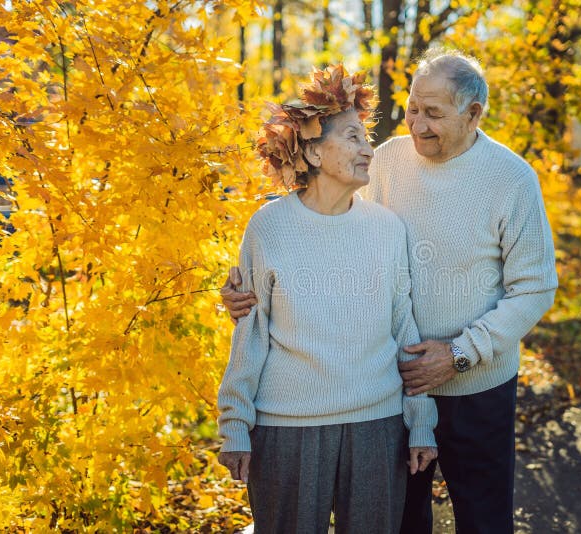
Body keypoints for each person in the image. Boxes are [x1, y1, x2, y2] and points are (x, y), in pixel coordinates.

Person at [222, 50, 558, 533]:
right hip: (394, 385)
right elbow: (326, 228)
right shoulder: (386, 161)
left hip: (476, 387)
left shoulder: (512, 180)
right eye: (412, 108)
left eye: (434, 114)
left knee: (485, 521)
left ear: (474, 114)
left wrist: (461, 353)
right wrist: (249, 288)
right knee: (401, 522)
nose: (417, 124)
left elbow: (535, 288)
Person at [216, 65, 438, 534]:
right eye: (353, 137)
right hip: (286, 429)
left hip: (377, 427)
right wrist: (235, 421)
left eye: (367, 138)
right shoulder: (269, 227)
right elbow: (250, 332)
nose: (367, 149)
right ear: (314, 151)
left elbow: (404, 329)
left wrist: (421, 422)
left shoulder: (387, 227)